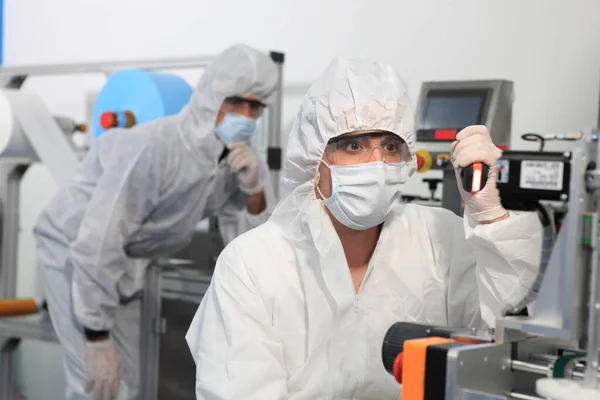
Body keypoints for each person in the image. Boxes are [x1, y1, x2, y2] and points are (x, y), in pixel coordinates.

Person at [186, 57, 542, 399]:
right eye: (353, 145)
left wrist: (492, 219)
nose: (377, 165)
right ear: (313, 158)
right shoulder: (253, 262)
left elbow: (506, 344)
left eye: (390, 146)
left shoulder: (439, 238)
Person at [33, 44, 279, 400]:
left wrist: (254, 191)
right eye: (235, 102)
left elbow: (253, 250)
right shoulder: (156, 147)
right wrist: (97, 337)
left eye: (255, 106)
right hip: (74, 249)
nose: (245, 114)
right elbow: (97, 241)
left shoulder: (239, 160)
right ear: (211, 96)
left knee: (128, 383)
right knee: (97, 384)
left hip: (130, 260)